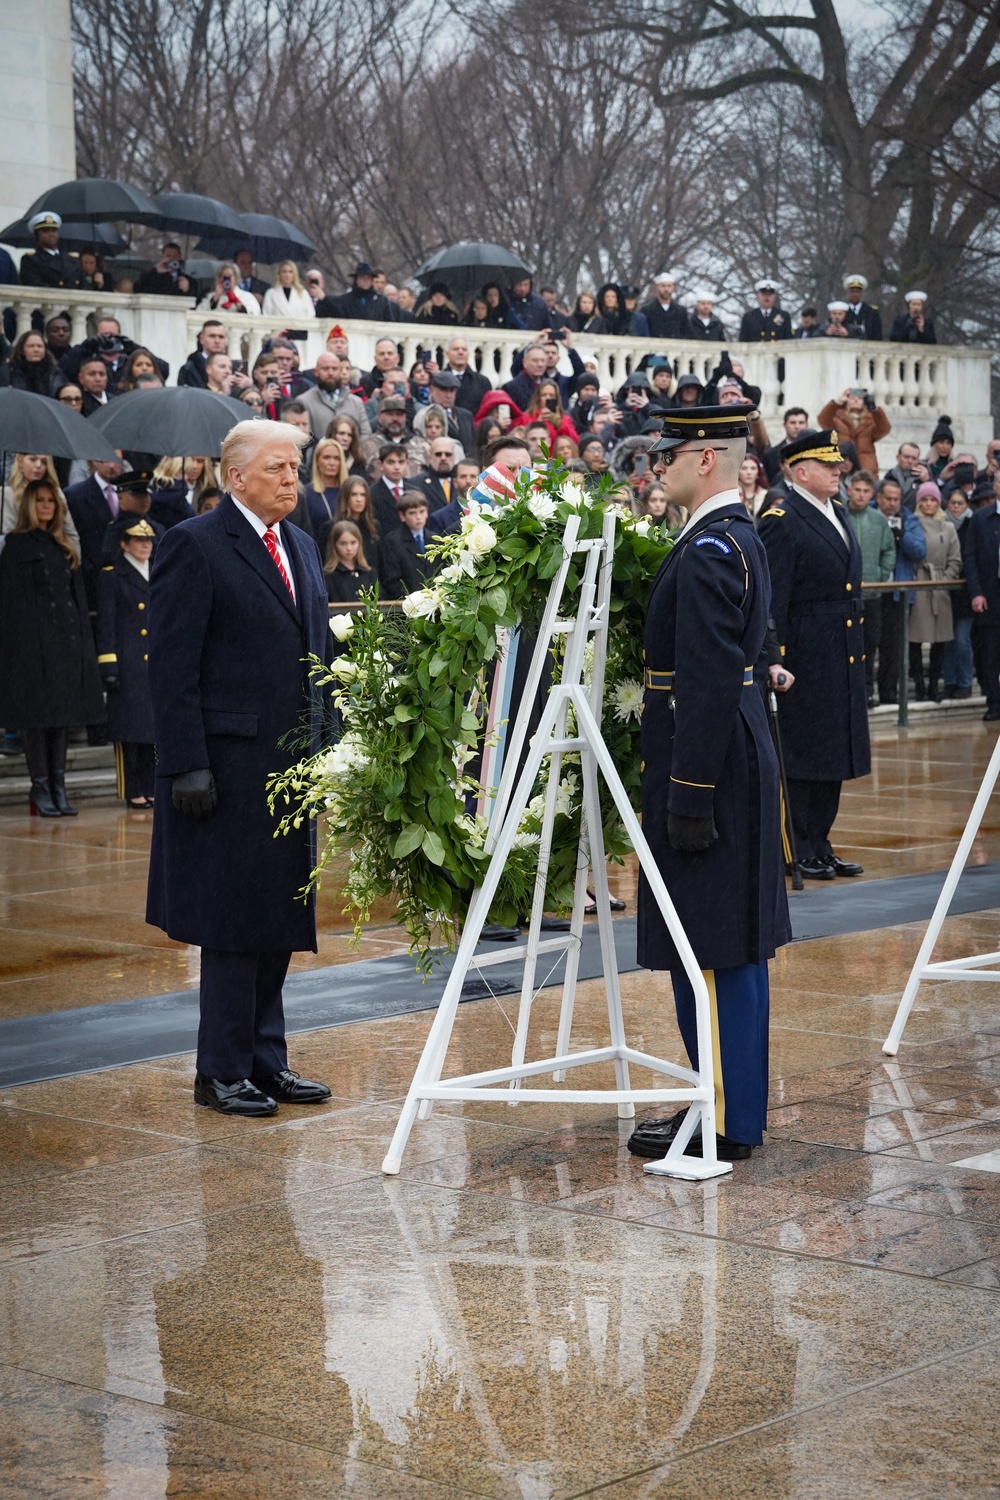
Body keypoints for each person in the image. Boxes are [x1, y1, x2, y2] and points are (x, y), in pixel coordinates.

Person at [145, 420, 333, 1115]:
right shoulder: (192, 546)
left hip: (290, 768)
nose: (292, 479)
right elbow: (170, 666)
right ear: (236, 477)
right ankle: (219, 1068)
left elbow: (317, 656)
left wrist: (328, 742)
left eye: (296, 467)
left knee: (277, 915)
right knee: (230, 924)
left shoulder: (303, 545)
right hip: (224, 770)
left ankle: (265, 1057)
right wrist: (185, 762)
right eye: (278, 468)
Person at [625, 404, 790, 1165]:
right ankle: (725, 1106)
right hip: (732, 755)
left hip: (711, 766)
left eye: (669, 454)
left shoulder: (712, 551)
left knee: (715, 952)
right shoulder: (731, 538)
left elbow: (706, 681)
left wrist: (688, 792)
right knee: (723, 948)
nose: (657, 467)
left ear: (705, 461)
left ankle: (723, 1119)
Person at [758, 429, 871, 879]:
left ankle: (821, 842)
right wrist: (773, 657)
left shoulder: (836, 511)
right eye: (828, 466)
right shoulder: (781, 518)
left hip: (839, 650)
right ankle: (799, 844)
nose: (839, 471)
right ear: (801, 471)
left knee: (833, 753)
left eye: (838, 464)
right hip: (803, 652)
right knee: (804, 756)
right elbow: (772, 598)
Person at [0, 479, 103, 816]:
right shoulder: (15, 547)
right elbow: (12, 606)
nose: (47, 506)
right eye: (40, 500)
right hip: (31, 648)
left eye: (51, 501)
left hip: (65, 646)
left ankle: (58, 785)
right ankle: (40, 786)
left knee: (62, 720)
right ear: (29, 504)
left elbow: (75, 600)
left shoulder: (65, 547)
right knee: (37, 720)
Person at [96, 518, 157, 807]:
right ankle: (132, 787)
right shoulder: (112, 576)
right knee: (130, 734)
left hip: (153, 664)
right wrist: (108, 665)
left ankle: (149, 785)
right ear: (124, 544)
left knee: (151, 732)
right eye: (137, 540)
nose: (145, 544)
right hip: (128, 663)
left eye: (148, 540)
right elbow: (106, 625)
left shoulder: (157, 573)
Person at [844, 470, 896, 705]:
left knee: (870, 644)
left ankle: (867, 690)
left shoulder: (877, 518)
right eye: (857, 490)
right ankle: (849, 690)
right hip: (845, 594)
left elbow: (888, 550)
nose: (861, 495)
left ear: (872, 494)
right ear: (849, 490)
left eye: (866, 491)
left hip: (873, 593)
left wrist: (881, 575)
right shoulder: (839, 514)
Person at [874, 477, 927, 705]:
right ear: (879, 498)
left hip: (898, 593)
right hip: (872, 590)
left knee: (892, 648)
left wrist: (901, 534)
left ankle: (889, 693)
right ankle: (866, 692)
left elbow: (920, 551)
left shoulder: (909, 518)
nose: (892, 503)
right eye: (888, 499)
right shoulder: (869, 515)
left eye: (896, 499)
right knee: (868, 644)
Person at [907, 481, 961, 702]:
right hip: (918, 582)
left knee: (940, 640)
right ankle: (919, 686)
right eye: (925, 500)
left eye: (932, 500)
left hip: (939, 586)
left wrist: (944, 580)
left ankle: (934, 686)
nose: (928, 504)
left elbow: (955, 559)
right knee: (916, 639)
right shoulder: (912, 523)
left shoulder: (948, 527)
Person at [942, 487, 975, 699]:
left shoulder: (973, 524)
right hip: (946, 591)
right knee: (948, 641)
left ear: (967, 505)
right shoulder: (942, 524)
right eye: (952, 503)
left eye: (960, 503)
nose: (956, 507)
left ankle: (965, 682)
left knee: (962, 640)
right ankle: (950, 681)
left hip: (966, 590)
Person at [817, 387, 891, 476]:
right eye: (852, 398)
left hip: (865, 468)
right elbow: (823, 420)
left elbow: (884, 429)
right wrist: (837, 402)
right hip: (842, 467)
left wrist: (875, 410)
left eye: (859, 398)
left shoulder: (871, 420)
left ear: (864, 402)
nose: (856, 400)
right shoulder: (837, 418)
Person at [379, 491, 440, 597]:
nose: (418, 517)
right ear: (402, 516)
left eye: (422, 511)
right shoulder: (393, 542)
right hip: (408, 602)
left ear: (427, 512)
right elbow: (391, 579)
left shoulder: (435, 538)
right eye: (412, 513)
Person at [304, 437, 348, 550]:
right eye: (326, 457)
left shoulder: (349, 491)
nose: (332, 463)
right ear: (317, 461)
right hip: (320, 552)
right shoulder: (306, 493)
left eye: (336, 458)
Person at [18, 212, 82, 290]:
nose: (51, 234)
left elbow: (84, 285)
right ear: (37, 235)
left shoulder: (72, 259)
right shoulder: (30, 260)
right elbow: (34, 284)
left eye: (54, 230)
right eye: (46, 231)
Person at [316, 262, 394, 321]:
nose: (365, 280)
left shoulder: (382, 301)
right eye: (362, 277)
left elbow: (389, 323)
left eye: (368, 278)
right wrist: (324, 299)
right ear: (356, 279)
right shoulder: (345, 300)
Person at [0, 329, 66, 396]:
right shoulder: (8, 372)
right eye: (31, 346)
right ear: (22, 350)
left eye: (39, 346)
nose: (36, 350)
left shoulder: (55, 373)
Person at [323, 518, 373, 604]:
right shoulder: (327, 576)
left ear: (359, 543)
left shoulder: (369, 572)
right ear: (334, 545)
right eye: (343, 544)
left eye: (353, 543)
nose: (349, 548)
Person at [442, 336, 491, 415]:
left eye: (464, 349)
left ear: (468, 354)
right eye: (456, 349)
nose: (460, 352)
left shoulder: (482, 382)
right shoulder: (439, 380)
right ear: (447, 354)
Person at [762, 408, 809, 484]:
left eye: (801, 423)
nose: (797, 426)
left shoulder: (814, 452)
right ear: (784, 425)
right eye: (793, 423)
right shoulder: (771, 454)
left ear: (807, 425)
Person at [177, 321, 229, 389]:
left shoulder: (234, 368)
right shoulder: (189, 369)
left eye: (221, 337)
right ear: (202, 339)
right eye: (212, 336)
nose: (217, 341)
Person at [639, 272, 688, 338]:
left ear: (673, 288)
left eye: (669, 286)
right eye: (663, 286)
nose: (666, 289)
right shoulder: (647, 310)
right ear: (657, 287)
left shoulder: (681, 311)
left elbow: (686, 332)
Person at [842, 274, 883, 340]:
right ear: (847, 293)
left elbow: (878, 335)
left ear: (862, 293)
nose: (855, 294)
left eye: (858, 292)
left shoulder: (872, 312)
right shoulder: (842, 311)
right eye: (852, 291)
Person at [737, 454, 769, 520]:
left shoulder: (766, 494)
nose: (749, 472)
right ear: (738, 472)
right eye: (744, 468)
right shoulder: (733, 494)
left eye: (753, 468)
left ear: (758, 473)